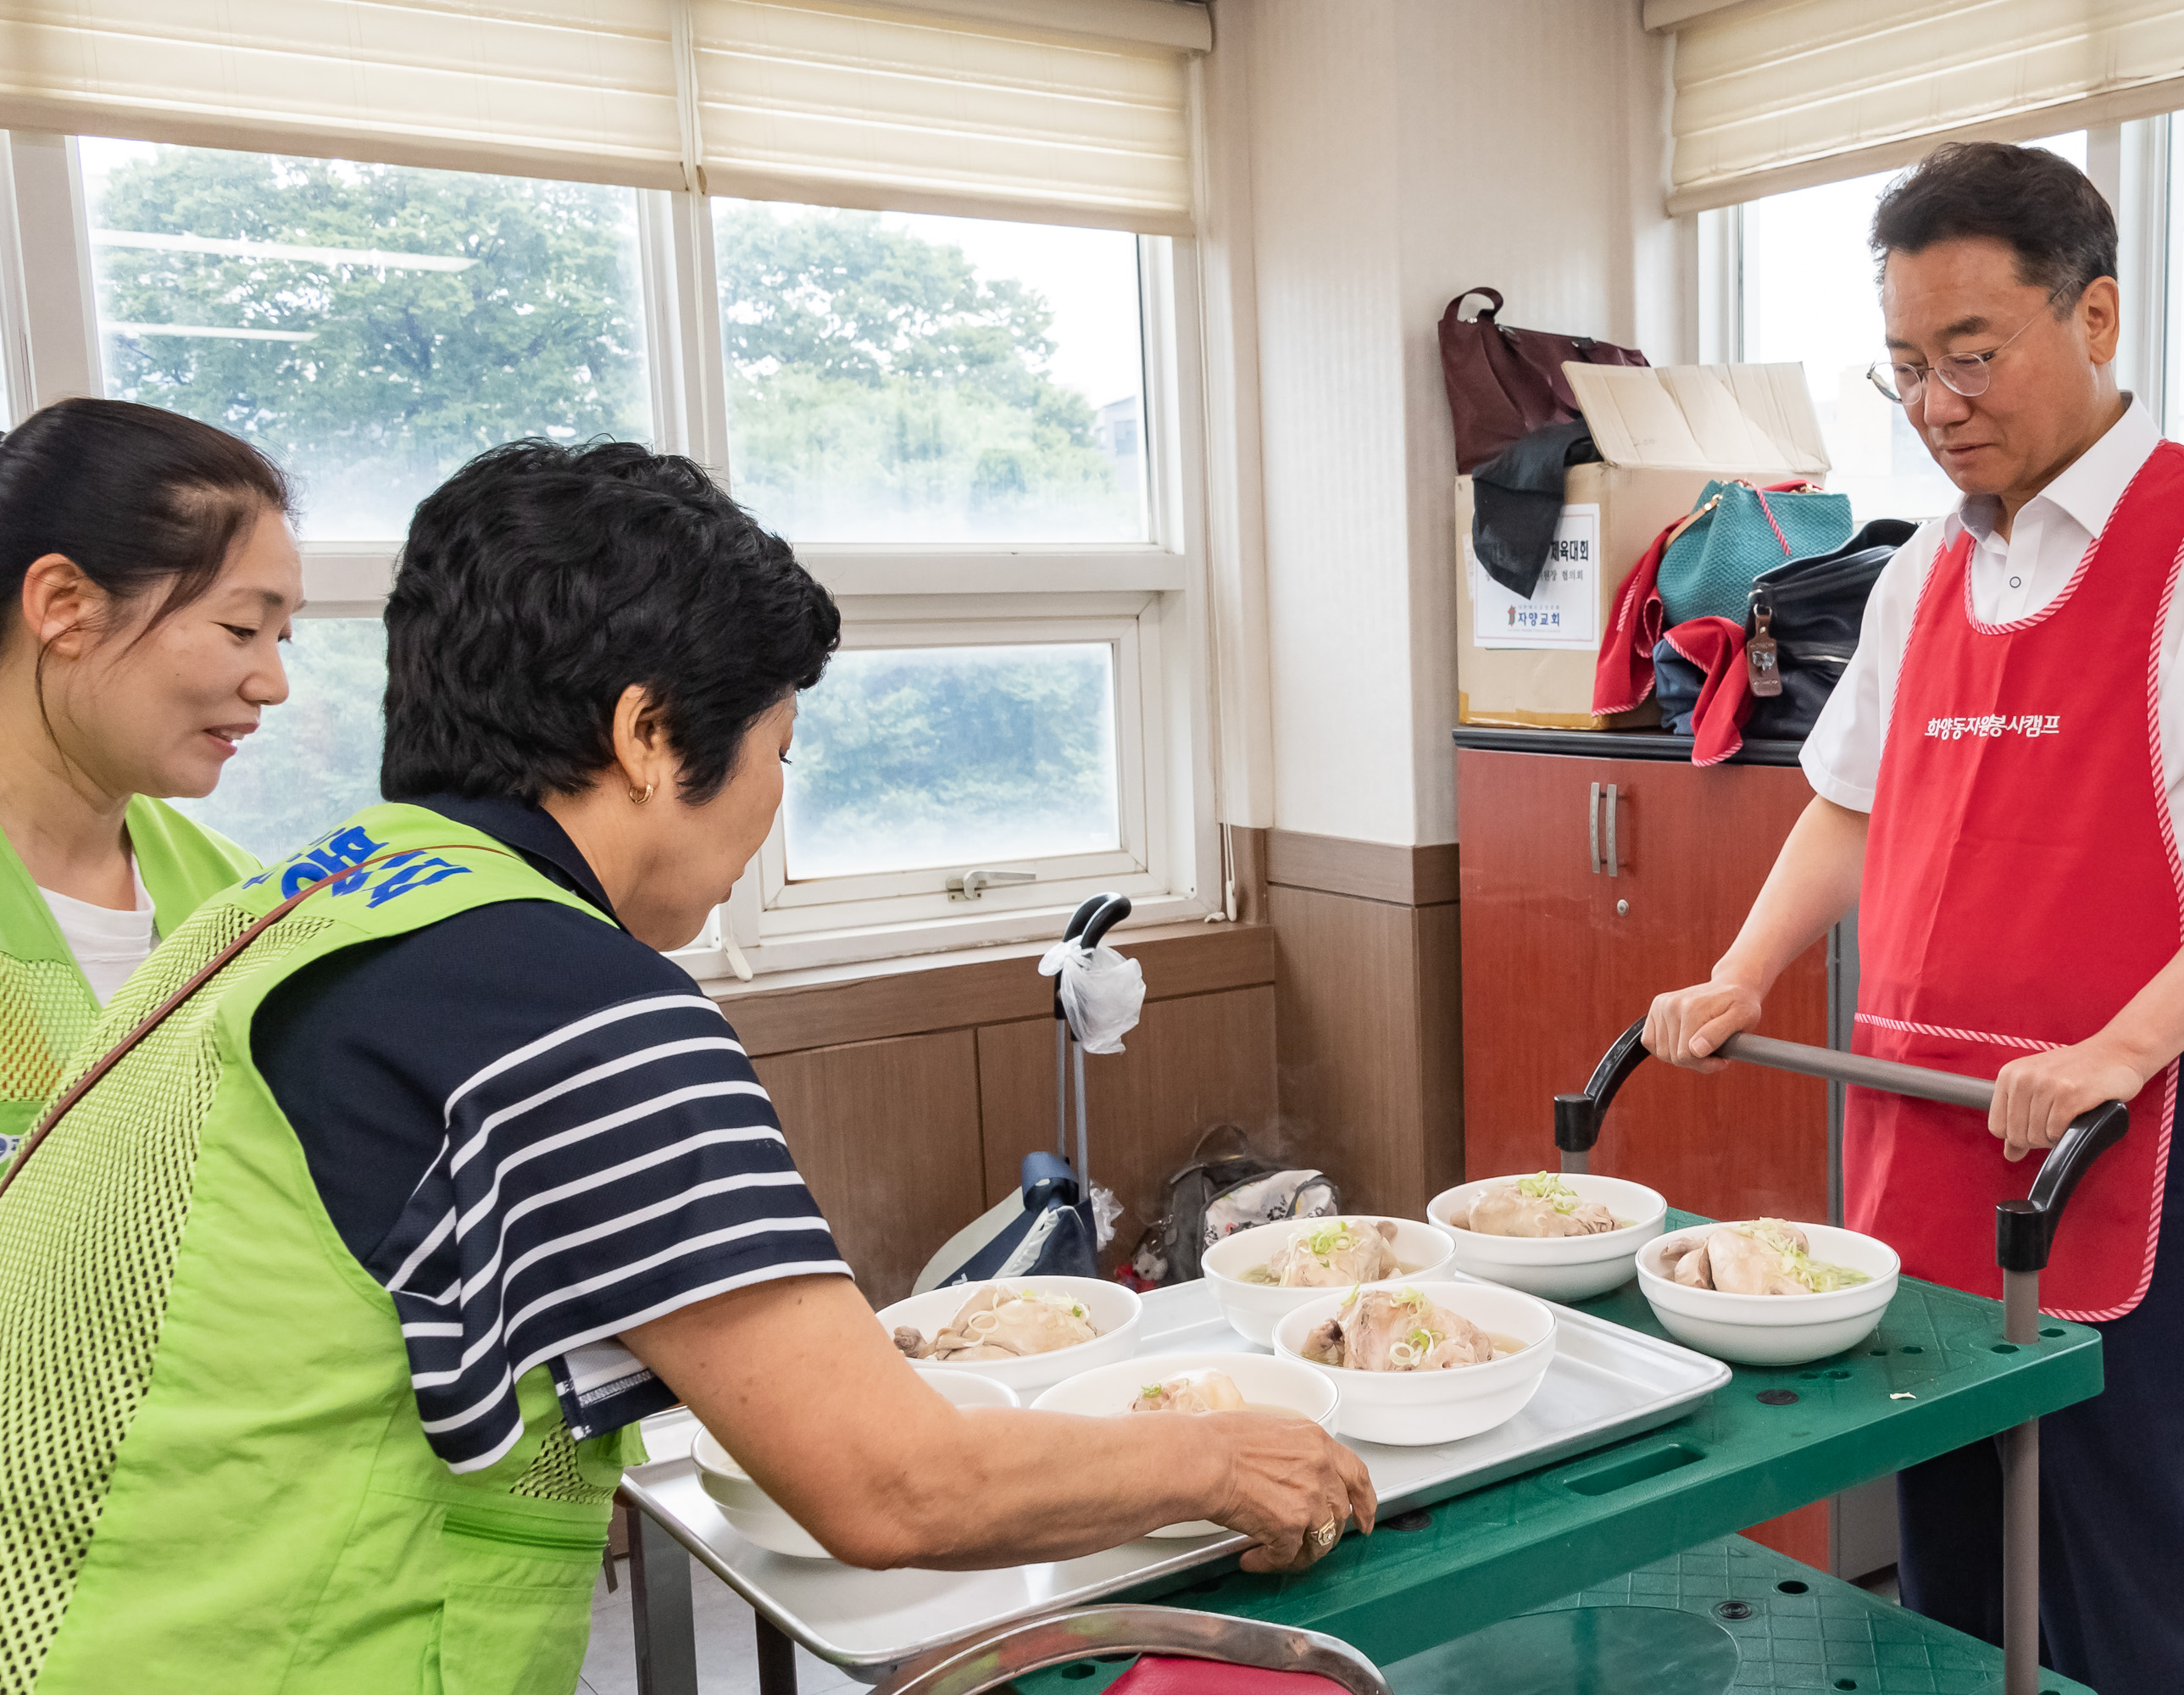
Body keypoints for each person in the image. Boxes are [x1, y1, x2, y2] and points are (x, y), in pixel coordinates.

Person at [0, 440, 1373, 1692]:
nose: (776, 802)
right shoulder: (559, 992)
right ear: (650, 736)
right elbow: (891, 1486)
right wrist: (1220, 1457)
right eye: (781, 752)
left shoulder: (299, 900)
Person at [1642, 143, 2184, 1694]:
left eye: (1972, 356)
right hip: (1921, 1128)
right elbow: (1849, 806)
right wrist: (1736, 977)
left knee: (2119, 1569)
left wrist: (2115, 1052)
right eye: (1908, 367)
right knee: (1949, 1572)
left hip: (2112, 1137)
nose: (1937, 405)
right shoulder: (1922, 571)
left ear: (2098, 315)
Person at [0, 398, 291, 1149]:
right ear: (66, 607)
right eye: (240, 630)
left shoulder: (242, 903)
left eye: (281, 638)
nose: (273, 683)